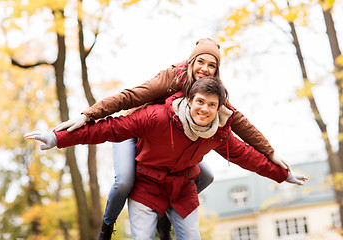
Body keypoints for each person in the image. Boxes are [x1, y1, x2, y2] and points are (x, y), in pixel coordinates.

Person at [53, 38, 290, 240]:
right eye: (201, 62)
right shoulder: (171, 77)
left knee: (206, 175)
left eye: (212, 65)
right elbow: (130, 96)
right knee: (124, 180)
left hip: (167, 141)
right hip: (135, 127)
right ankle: (107, 226)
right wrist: (88, 114)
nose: (205, 69)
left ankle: (165, 209)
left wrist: (270, 152)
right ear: (191, 61)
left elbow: (241, 124)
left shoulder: (210, 94)